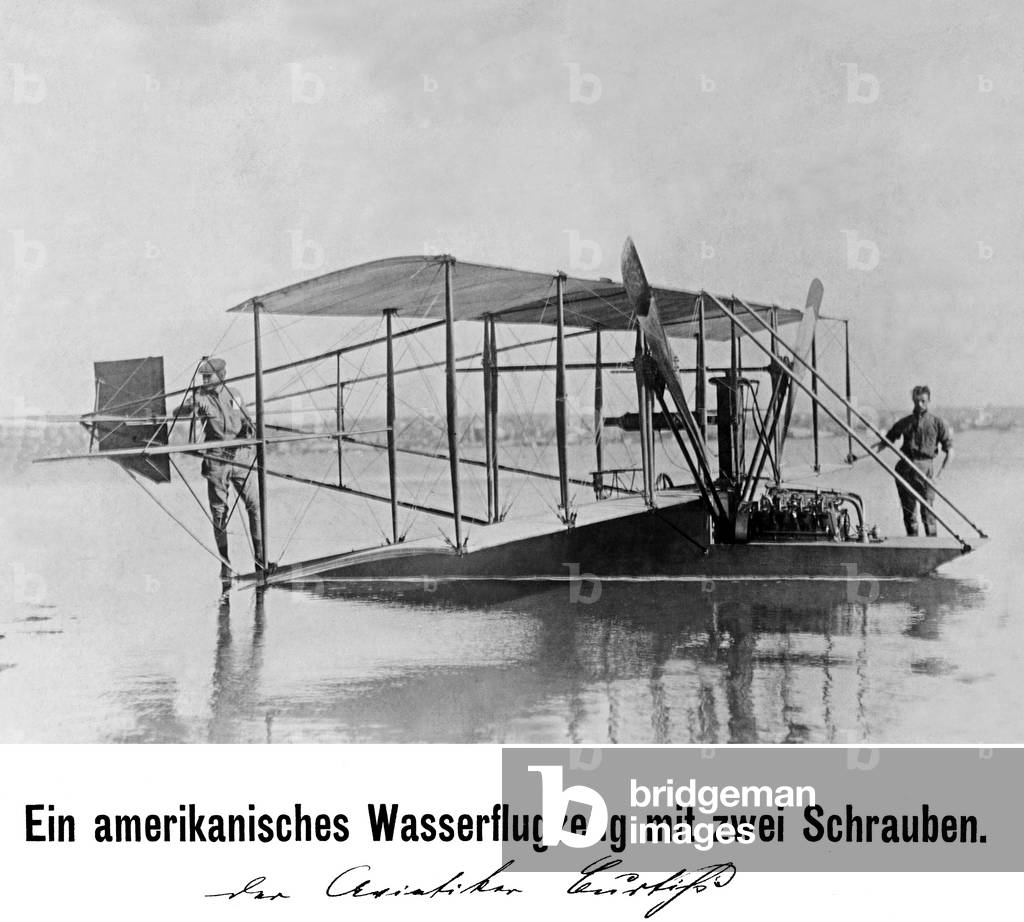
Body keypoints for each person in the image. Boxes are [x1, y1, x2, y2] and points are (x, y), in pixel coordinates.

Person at [176, 357, 263, 579]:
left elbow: (246, 420)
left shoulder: (234, 394)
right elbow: (182, 411)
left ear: (222, 376)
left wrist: (248, 430)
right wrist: (191, 405)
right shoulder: (201, 397)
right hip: (216, 461)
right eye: (203, 377)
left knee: (254, 505)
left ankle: (260, 560)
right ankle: (225, 564)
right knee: (219, 514)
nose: (205, 380)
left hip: (240, 458)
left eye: (209, 376)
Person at [873, 385, 953, 537]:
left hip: (926, 471)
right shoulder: (905, 422)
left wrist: (939, 476)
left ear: (929, 400)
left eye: (923, 401)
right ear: (913, 401)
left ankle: (931, 548)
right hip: (906, 469)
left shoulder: (937, 423)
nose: (919, 405)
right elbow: (884, 443)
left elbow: (950, 452)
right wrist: (859, 455)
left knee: (928, 513)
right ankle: (913, 545)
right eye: (916, 401)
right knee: (910, 515)